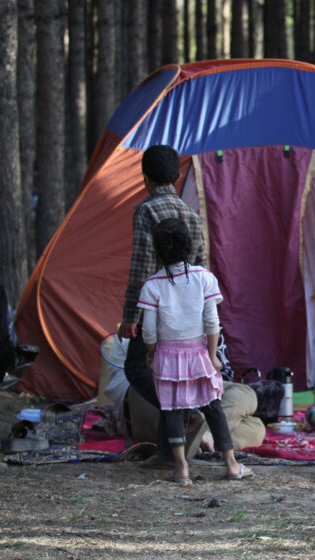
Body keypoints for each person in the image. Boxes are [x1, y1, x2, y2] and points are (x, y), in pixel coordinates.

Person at [137, 218, 252, 484]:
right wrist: (212, 356)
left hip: (167, 355)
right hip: (199, 353)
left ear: (157, 251)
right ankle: (232, 465)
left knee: (172, 410)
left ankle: (181, 469)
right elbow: (212, 322)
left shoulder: (152, 286)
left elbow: (149, 332)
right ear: (189, 246)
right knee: (213, 407)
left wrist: (152, 355)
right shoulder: (204, 279)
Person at [118, 145, 208, 465]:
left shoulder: (147, 211)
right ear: (178, 175)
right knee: (164, 376)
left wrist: (130, 316)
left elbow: (141, 267)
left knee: (137, 369)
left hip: (153, 311)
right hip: (184, 313)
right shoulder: (192, 216)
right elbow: (200, 269)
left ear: (145, 179)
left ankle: (188, 411)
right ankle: (166, 455)